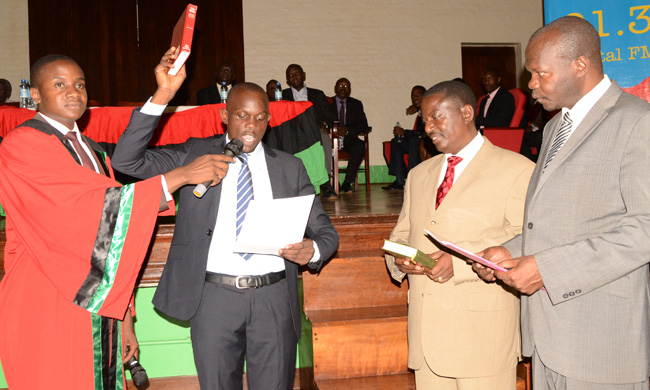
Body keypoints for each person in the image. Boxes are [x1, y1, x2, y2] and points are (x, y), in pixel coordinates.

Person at [0, 49, 227, 389]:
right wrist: (178, 177)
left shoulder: (94, 152)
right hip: (46, 301)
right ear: (34, 95)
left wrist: (125, 319)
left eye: (80, 84)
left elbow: (117, 237)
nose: (73, 92)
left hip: (98, 304)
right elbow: (87, 211)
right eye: (59, 84)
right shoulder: (22, 145)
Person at [112, 78, 339, 388]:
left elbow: (326, 232)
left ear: (269, 120)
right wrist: (162, 95)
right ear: (224, 115)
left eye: (260, 117)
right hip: (214, 298)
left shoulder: (290, 167)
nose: (252, 124)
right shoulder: (196, 154)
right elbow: (126, 160)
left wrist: (311, 250)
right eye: (242, 115)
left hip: (273, 300)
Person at [473, 16, 650, 390]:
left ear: (580, 65)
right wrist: (508, 252)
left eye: (540, 74)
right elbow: (555, 222)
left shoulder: (638, 122)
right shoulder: (555, 127)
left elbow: (644, 231)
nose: (531, 86)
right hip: (547, 338)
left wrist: (547, 271)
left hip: (600, 341)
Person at [385, 80, 533, 389]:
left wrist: (461, 263)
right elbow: (402, 235)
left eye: (436, 116)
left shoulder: (516, 169)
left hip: (481, 339)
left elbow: (525, 241)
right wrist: (399, 259)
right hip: (426, 339)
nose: (428, 127)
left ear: (467, 112)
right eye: (425, 119)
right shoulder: (418, 175)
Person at [282, 63, 338, 199]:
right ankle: (294, 186)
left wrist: (324, 123)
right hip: (293, 133)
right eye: (290, 75)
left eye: (296, 73)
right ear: (287, 81)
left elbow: (330, 116)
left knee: (325, 138)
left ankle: (325, 184)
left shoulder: (317, 94)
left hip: (315, 130)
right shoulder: (283, 95)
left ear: (304, 75)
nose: (294, 76)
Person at [327, 77, 368, 193]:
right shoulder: (327, 102)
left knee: (360, 146)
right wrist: (334, 130)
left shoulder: (356, 104)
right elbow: (322, 121)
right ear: (335, 88)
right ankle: (332, 183)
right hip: (331, 138)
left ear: (350, 90)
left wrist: (347, 129)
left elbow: (363, 124)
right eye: (340, 85)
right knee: (321, 147)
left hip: (349, 138)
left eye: (346, 86)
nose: (343, 88)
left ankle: (347, 182)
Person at [383, 85, 427, 190]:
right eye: (413, 96)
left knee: (414, 141)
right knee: (396, 141)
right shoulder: (420, 110)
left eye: (418, 95)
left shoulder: (429, 110)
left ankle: (412, 178)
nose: (415, 98)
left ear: (425, 96)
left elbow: (424, 133)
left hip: (426, 142)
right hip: (417, 139)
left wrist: (404, 132)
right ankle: (399, 180)